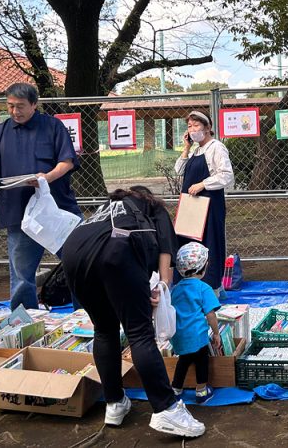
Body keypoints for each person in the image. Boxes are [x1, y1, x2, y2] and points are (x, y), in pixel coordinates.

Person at [60, 187, 203, 437]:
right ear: (148, 198)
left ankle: (115, 403)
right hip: (117, 249)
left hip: (72, 254)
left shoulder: (106, 209)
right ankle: (167, 408)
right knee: (139, 333)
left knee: (104, 329)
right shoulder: (154, 209)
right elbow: (166, 255)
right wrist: (162, 287)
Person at [0, 83, 81, 310]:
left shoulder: (53, 127)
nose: (15, 112)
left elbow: (67, 162)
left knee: (79, 262)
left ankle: (87, 314)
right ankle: (25, 321)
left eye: (20, 106)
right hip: (18, 212)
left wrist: (46, 178)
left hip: (57, 209)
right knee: (22, 273)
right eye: (10, 106)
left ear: (34, 104)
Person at [175, 111, 234, 289]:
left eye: (196, 125)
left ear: (207, 128)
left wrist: (203, 184)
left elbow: (226, 175)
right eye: (189, 126)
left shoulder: (216, 147)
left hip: (208, 205)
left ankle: (210, 287)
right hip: (190, 206)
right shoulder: (196, 150)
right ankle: (188, 285)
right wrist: (186, 148)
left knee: (209, 243)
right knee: (187, 244)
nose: (192, 130)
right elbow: (179, 170)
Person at [170, 242, 221, 403]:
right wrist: (217, 333)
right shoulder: (203, 288)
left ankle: (176, 389)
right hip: (198, 336)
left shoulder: (176, 288)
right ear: (203, 267)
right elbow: (210, 314)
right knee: (201, 362)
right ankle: (201, 391)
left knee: (183, 361)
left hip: (179, 335)